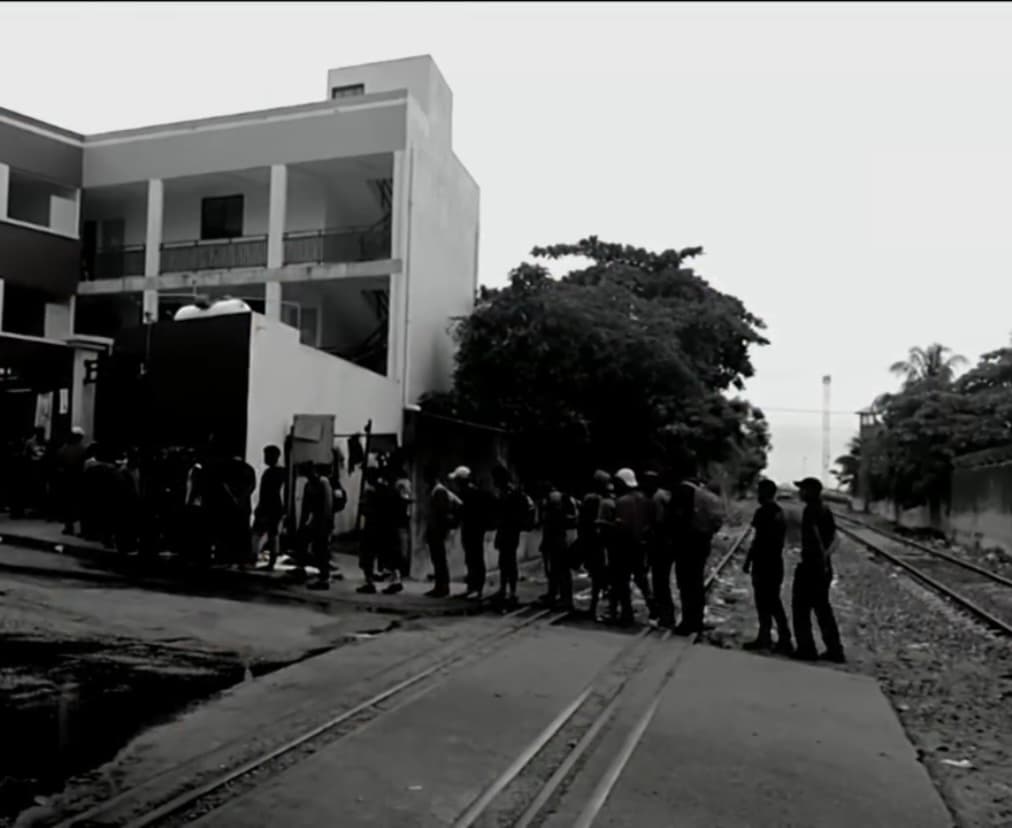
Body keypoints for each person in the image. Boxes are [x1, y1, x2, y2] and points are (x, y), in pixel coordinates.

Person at [792, 477, 845, 663]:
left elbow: (815, 539)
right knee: (823, 610)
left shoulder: (811, 511)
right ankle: (835, 650)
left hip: (812, 567)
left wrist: (815, 562)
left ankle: (806, 649)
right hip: (822, 567)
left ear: (810, 492)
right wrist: (825, 561)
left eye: (802, 489)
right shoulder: (825, 509)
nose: (799, 492)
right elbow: (836, 538)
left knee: (800, 608)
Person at [743, 479, 793, 654]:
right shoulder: (779, 512)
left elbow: (758, 540)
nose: (757, 494)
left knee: (765, 602)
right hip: (775, 562)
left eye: (759, 491)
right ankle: (775, 637)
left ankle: (774, 638)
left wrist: (748, 560)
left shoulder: (763, 512)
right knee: (772, 601)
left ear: (764, 492)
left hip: (763, 562)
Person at [671, 474, 723, 636]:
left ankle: (688, 622)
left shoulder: (684, 493)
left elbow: (675, 518)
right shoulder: (711, 498)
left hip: (686, 542)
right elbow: (717, 522)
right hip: (702, 542)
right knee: (696, 582)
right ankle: (697, 620)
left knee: (685, 583)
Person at [607, 468, 654, 626]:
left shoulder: (622, 502)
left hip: (623, 546)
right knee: (642, 580)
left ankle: (626, 613)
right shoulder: (645, 499)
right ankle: (654, 608)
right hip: (640, 545)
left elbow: (621, 526)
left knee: (621, 580)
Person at [492, 465, 529, 610]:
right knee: (503, 562)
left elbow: (514, 514)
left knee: (510, 562)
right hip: (505, 530)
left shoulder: (512, 493)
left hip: (510, 531)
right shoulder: (504, 492)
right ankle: (503, 589)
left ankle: (512, 591)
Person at [452, 466, 492, 600]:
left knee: (475, 558)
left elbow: (466, 512)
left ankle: (477, 588)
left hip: (474, 529)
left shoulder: (470, 493)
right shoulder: (470, 492)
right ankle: (472, 587)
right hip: (471, 529)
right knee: (471, 558)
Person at [643, 470, 675, 629]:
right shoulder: (665, 495)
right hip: (668, 544)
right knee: (662, 581)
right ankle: (666, 615)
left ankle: (666, 617)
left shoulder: (656, 498)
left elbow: (658, 522)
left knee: (660, 582)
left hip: (660, 545)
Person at [578, 470, 611, 620]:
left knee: (597, 576)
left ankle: (594, 607)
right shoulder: (605, 500)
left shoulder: (590, 499)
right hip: (600, 541)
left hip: (592, 541)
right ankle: (599, 607)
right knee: (600, 576)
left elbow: (582, 521)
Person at [540, 481, 577, 611]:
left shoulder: (553, 502)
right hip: (557, 538)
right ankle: (555, 595)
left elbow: (549, 523)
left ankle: (564, 598)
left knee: (560, 570)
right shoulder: (562, 500)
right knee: (556, 569)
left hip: (557, 539)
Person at [424, 466, 460, 598]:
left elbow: (441, 513)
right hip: (435, 530)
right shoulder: (435, 491)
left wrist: (439, 529)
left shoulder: (439, 491)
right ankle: (439, 586)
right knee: (437, 559)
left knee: (439, 559)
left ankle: (443, 586)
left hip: (437, 531)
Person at [300, 462, 336, 590]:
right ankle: (314, 571)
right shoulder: (309, 485)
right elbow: (305, 506)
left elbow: (328, 504)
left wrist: (325, 523)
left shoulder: (323, 482)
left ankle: (324, 577)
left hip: (323, 520)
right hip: (315, 520)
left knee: (321, 549)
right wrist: (304, 521)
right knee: (314, 547)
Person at [252, 445, 287, 570]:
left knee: (258, 533)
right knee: (273, 533)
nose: (265, 458)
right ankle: (271, 560)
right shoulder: (281, 472)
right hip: (275, 506)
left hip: (268, 506)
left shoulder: (271, 473)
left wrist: (260, 507)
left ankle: (254, 557)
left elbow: (266, 493)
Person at [55, 427, 87, 536]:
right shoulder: (82, 449)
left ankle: (69, 527)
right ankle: (82, 529)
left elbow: (58, 464)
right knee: (79, 505)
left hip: (66, 480)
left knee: (68, 505)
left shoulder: (64, 448)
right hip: (78, 480)